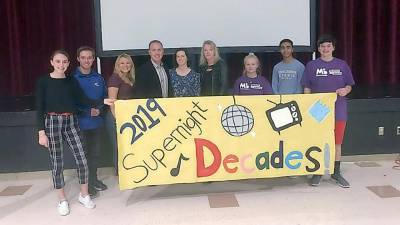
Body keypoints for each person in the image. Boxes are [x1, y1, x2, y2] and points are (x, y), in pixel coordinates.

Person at [35, 50, 114, 216]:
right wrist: (41, 132)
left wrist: (102, 101)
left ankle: (84, 195)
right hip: (52, 122)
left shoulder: (71, 81)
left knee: (82, 159)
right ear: (52, 62)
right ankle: (62, 199)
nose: (61, 65)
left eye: (64, 62)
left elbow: (83, 100)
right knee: (57, 163)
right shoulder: (43, 81)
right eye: (58, 62)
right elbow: (39, 108)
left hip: (71, 121)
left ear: (69, 63)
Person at [301, 34, 355, 188]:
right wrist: (308, 103)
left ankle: (336, 172)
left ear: (333, 48)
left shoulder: (342, 65)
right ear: (318, 49)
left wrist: (346, 90)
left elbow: (349, 85)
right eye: (322, 46)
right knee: (318, 141)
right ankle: (317, 172)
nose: (325, 49)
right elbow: (307, 87)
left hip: (338, 110)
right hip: (318, 111)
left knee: (337, 143)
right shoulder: (311, 66)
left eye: (328, 46)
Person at [73, 46, 108, 197]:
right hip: (81, 124)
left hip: (97, 124)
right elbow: (71, 102)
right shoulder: (72, 79)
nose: (86, 60)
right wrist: (87, 111)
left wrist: (100, 110)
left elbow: (104, 98)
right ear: (78, 59)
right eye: (83, 57)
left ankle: (94, 179)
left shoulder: (98, 78)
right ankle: (86, 185)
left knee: (96, 153)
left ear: (93, 59)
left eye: (89, 57)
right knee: (84, 155)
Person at [106, 53, 136, 174]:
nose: (125, 65)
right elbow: (112, 102)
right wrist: (118, 120)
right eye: (122, 63)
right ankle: (121, 174)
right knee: (119, 147)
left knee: (127, 146)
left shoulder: (130, 78)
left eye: (128, 63)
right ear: (117, 65)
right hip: (116, 118)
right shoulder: (115, 78)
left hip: (127, 117)